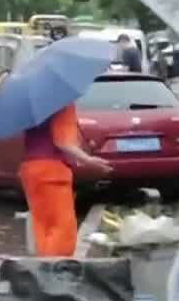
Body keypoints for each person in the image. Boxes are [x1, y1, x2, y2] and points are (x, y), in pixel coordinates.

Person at [20, 104, 112, 257]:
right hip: (52, 171)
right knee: (62, 230)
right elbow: (62, 141)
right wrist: (88, 159)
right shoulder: (62, 103)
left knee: (43, 227)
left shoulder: (31, 104)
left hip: (31, 169)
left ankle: (43, 270)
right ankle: (55, 271)